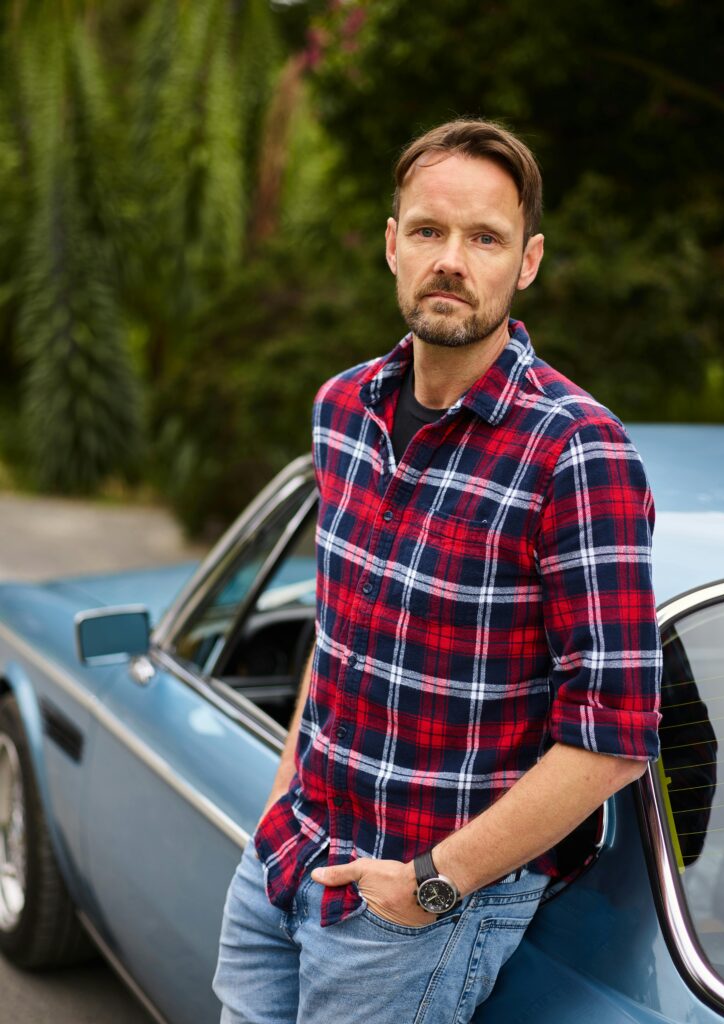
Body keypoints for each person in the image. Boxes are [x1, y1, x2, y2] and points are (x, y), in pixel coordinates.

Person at [213, 119, 662, 1024]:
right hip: (285, 861)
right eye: (428, 231)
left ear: (526, 262)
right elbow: (336, 636)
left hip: (409, 913)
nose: (451, 260)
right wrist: (277, 808)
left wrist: (429, 886)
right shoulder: (343, 408)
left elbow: (615, 738)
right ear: (392, 245)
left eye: (485, 238)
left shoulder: (578, 451)